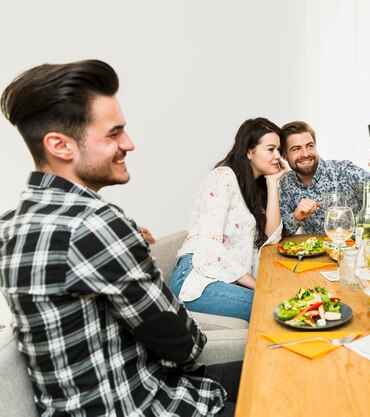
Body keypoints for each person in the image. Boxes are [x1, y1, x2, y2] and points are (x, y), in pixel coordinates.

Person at [0, 60, 240, 416]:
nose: (129, 144)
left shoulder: (11, 225)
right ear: (60, 146)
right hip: (144, 405)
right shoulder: (96, 225)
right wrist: (128, 247)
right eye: (113, 133)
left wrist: (128, 249)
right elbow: (185, 345)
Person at [170, 118, 285, 322]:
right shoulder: (222, 177)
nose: (278, 155)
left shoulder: (254, 190)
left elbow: (270, 237)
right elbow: (210, 244)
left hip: (225, 279)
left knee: (281, 301)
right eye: (271, 149)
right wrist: (256, 284)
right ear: (249, 152)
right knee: (275, 307)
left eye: (279, 149)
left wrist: (273, 182)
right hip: (198, 277)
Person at [279, 121, 370, 235]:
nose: (305, 154)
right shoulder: (286, 183)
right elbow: (281, 233)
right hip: (315, 259)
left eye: (310, 146)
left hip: (353, 254)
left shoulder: (343, 170)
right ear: (284, 155)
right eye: (296, 149)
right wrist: (296, 217)